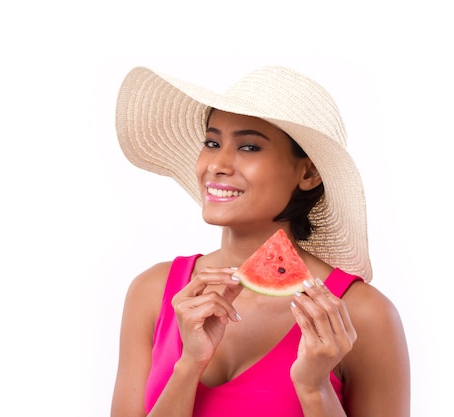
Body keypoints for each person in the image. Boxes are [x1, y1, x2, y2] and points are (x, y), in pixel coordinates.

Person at [110, 65, 410, 417]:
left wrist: (314, 389)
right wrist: (189, 365)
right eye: (212, 143)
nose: (217, 164)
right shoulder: (153, 292)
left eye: (249, 147)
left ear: (309, 172)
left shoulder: (363, 314)